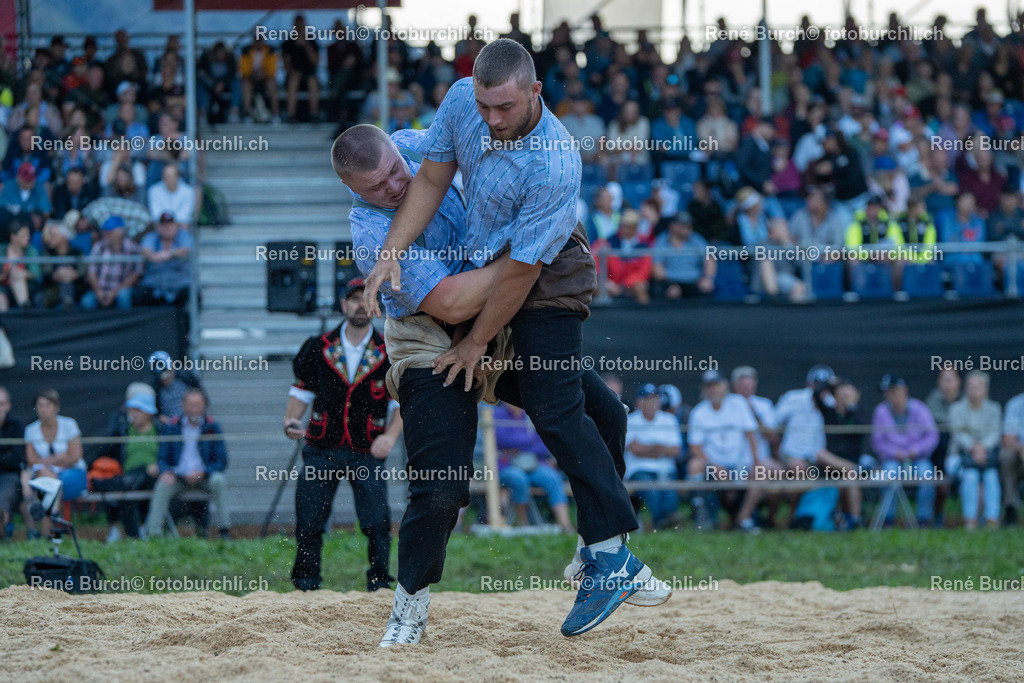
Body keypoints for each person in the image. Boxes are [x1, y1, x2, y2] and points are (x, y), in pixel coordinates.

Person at [361, 40, 660, 639]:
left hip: (523, 289)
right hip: (438, 331)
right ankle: (412, 605)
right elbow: (432, 190)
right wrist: (392, 249)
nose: (491, 119)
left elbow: (521, 273)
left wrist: (477, 341)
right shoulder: (453, 113)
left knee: (579, 411)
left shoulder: (553, 161)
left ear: (534, 92)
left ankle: (604, 551)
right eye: (483, 106)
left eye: (503, 108)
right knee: (449, 484)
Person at [284, 278, 401, 592]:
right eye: (353, 299)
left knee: (377, 522)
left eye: (368, 298)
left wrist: (390, 436)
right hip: (321, 446)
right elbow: (302, 389)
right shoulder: (318, 347)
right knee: (309, 520)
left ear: (375, 306)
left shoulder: (389, 350)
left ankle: (379, 583)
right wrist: (290, 419)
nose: (360, 304)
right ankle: (306, 583)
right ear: (343, 305)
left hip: (367, 448)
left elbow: (400, 402)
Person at [143, 389, 230, 538]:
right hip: (179, 477)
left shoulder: (212, 426)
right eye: (191, 404)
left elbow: (222, 460)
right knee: (162, 485)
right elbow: (162, 456)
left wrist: (204, 472)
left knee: (219, 481)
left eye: (198, 404)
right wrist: (166, 471)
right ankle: (154, 533)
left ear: (205, 405)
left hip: (204, 476)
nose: (194, 408)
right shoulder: (173, 426)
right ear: (183, 405)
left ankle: (224, 531)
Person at [686, 370, 766, 532]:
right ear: (704, 389)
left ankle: (744, 518)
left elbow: (751, 435)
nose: (713, 389)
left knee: (762, 471)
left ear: (725, 386)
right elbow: (695, 448)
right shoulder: (699, 412)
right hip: (713, 465)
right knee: (694, 466)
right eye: (709, 386)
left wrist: (756, 461)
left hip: (740, 463)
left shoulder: (739, 404)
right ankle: (704, 517)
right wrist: (714, 466)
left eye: (716, 385)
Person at [493, 402, 574, 532]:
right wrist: (530, 440)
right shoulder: (497, 414)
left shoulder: (530, 414)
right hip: (507, 465)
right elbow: (502, 439)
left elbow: (543, 445)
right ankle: (523, 524)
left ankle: (565, 525)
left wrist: (517, 447)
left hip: (534, 464)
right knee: (518, 479)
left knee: (552, 477)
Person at [870, 375, 939, 526]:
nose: (889, 395)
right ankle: (888, 520)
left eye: (893, 391)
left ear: (904, 390)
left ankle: (924, 519)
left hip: (918, 458)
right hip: (892, 460)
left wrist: (916, 450)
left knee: (927, 473)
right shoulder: (881, 411)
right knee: (889, 473)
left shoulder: (919, 409)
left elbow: (932, 436)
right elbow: (877, 442)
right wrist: (895, 452)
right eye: (887, 392)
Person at [94, 392, 160, 541]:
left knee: (131, 486)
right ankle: (128, 533)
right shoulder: (123, 430)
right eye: (131, 410)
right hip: (129, 476)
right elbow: (104, 450)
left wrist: (159, 465)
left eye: (137, 410)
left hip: (151, 476)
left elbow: (169, 454)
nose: (133, 414)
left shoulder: (160, 429)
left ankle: (137, 533)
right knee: (111, 485)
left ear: (149, 413)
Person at [21, 389, 87, 539]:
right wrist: (61, 457)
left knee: (47, 485)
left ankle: (46, 534)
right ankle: (53, 520)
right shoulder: (31, 430)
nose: (43, 409)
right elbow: (31, 460)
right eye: (40, 405)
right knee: (48, 484)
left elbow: (75, 457)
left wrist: (46, 463)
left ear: (56, 407)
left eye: (47, 405)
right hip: (48, 476)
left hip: (72, 475)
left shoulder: (69, 425)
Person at [624, 384, 682, 530]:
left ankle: (664, 523)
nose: (653, 403)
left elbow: (675, 450)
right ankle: (662, 524)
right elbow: (635, 449)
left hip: (665, 468)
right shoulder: (631, 420)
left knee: (669, 492)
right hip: (639, 468)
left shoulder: (669, 419)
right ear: (639, 402)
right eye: (648, 399)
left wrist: (648, 448)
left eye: (655, 399)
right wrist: (660, 448)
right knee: (652, 490)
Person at [950, 371, 1002, 530]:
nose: (974, 390)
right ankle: (970, 521)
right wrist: (974, 447)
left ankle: (992, 520)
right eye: (970, 386)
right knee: (970, 476)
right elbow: (958, 434)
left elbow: (995, 433)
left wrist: (982, 448)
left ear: (986, 389)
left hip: (987, 456)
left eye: (978, 386)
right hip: (961, 456)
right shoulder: (956, 409)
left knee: (991, 476)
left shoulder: (994, 408)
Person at [81, 216, 142, 310]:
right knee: (87, 301)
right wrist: (98, 291)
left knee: (123, 296)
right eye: (105, 231)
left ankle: (126, 323)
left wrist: (114, 292)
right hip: (100, 289)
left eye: (110, 232)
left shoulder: (133, 248)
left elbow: (136, 274)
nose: (106, 234)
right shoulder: (98, 247)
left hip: (121, 289)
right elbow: (91, 273)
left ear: (120, 232)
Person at [925, 368, 962, 526]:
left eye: (950, 379)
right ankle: (932, 517)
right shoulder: (932, 400)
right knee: (940, 435)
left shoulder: (966, 399)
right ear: (939, 382)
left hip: (961, 451)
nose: (947, 384)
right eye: (944, 379)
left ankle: (972, 520)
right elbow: (933, 422)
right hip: (938, 454)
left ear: (958, 382)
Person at [650, 211, 715, 299]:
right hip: (671, 281)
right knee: (667, 292)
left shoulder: (697, 240)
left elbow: (710, 259)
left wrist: (708, 278)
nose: (687, 228)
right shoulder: (661, 241)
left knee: (705, 289)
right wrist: (668, 284)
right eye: (683, 225)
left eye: (689, 225)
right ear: (672, 226)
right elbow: (657, 268)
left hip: (694, 281)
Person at [135, 212, 193, 307]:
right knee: (140, 295)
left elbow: (187, 249)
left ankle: (186, 321)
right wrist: (153, 256)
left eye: (170, 224)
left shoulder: (183, 236)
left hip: (179, 285)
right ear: (158, 227)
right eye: (164, 225)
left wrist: (169, 254)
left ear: (176, 226)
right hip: (155, 285)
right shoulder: (152, 237)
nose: (167, 227)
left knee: (190, 294)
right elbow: (144, 249)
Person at [0, 387, 24, 540]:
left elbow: (16, 459)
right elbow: (10, 458)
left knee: (2, 501)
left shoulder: (16, 426)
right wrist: (5, 455)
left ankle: (3, 535)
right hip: (7, 471)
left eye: (1, 403)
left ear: (8, 405)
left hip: (9, 477)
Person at [1001, 387, 1024, 526]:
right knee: (1006, 456)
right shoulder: (1016, 404)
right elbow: (1008, 438)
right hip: (1019, 454)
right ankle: (1011, 508)